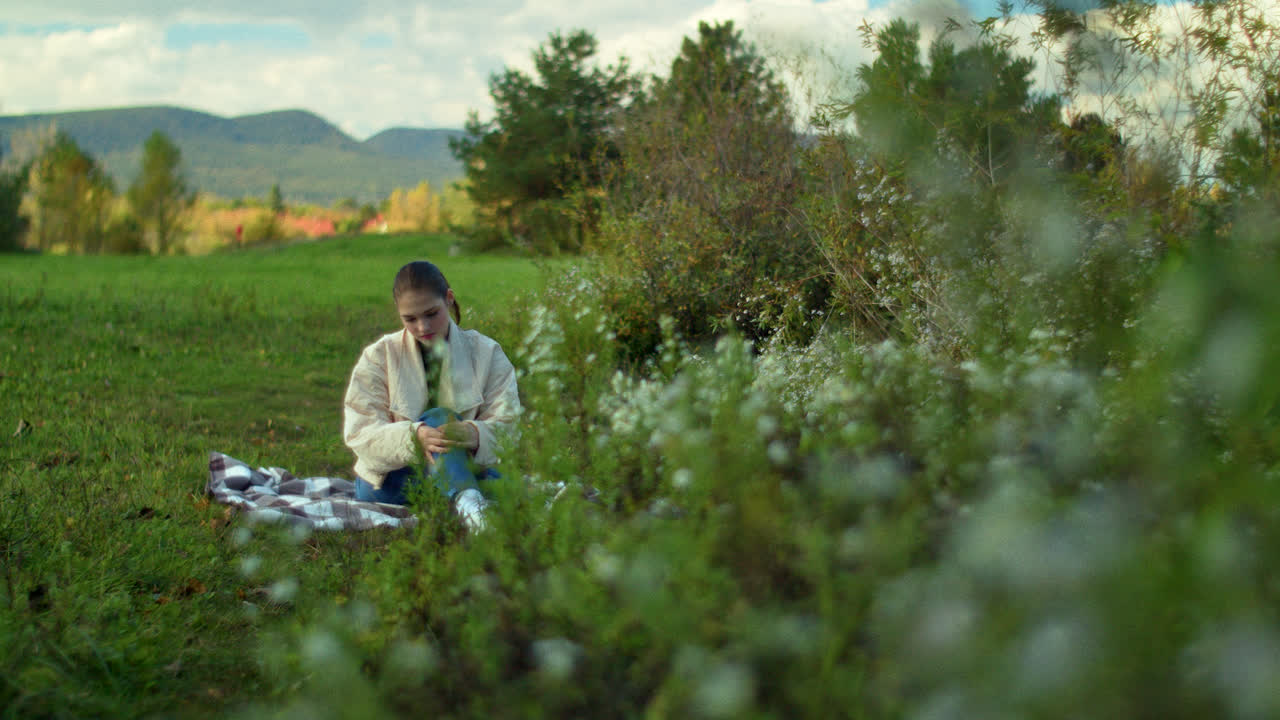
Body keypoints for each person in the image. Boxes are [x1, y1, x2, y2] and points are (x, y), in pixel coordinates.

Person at [342, 260, 521, 532]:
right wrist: (414, 437)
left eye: (431, 313)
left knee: (503, 480)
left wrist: (473, 434)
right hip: (395, 483)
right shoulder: (379, 356)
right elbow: (360, 432)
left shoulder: (486, 352)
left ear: (449, 299)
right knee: (440, 419)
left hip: (468, 468)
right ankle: (470, 502)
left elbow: (510, 425)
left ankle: (464, 498)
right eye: (410, 319)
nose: (422, 326)